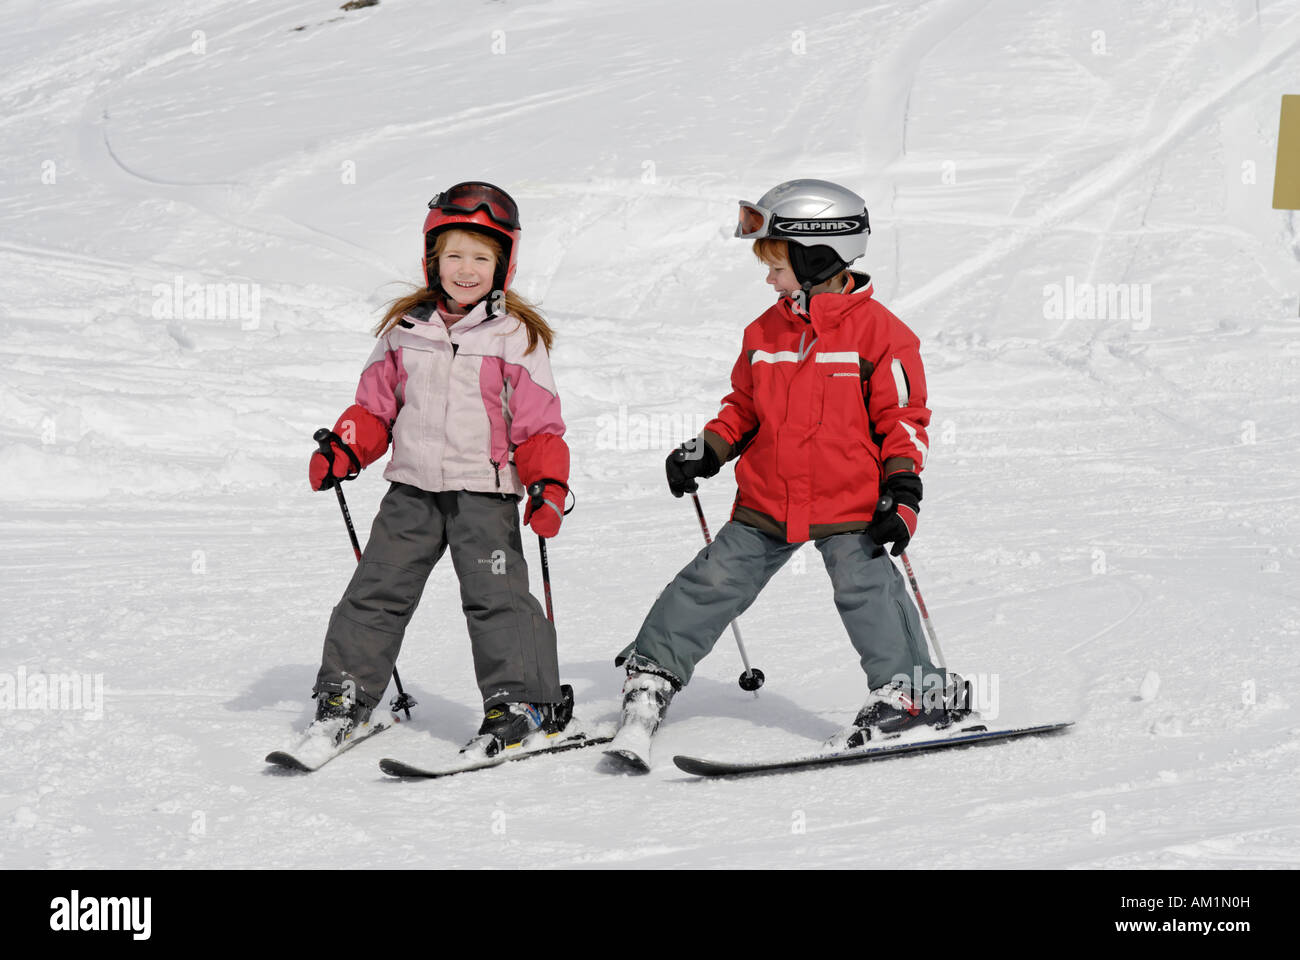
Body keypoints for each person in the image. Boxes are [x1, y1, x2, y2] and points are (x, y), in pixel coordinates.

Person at [608, 178, 972, 768]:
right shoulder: (764, 332)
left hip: (851, 502)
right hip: (767, 501)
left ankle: (916, 696)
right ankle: (652, 671)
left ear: (816, 255)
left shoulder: (882, 336)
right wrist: (708, 448)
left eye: (776, 264)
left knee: (867, 590)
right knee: (711, 581)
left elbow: (903, 419)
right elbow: (744, 408)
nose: (769, 279)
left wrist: (903, 489)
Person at [304, 181, 574, 758]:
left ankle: (520, 701)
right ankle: (344, 695)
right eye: (454, 254)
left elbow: (538, 425)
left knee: (496, 597)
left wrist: (549, 484)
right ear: (432, 258)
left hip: (486, 495)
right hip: (412, 493)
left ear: (503, 263)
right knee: (377, 589)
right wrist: (346, 448)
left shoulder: (514, 336)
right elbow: (375, 407)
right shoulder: (405, 331)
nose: (467, 268)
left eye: (481, 257)